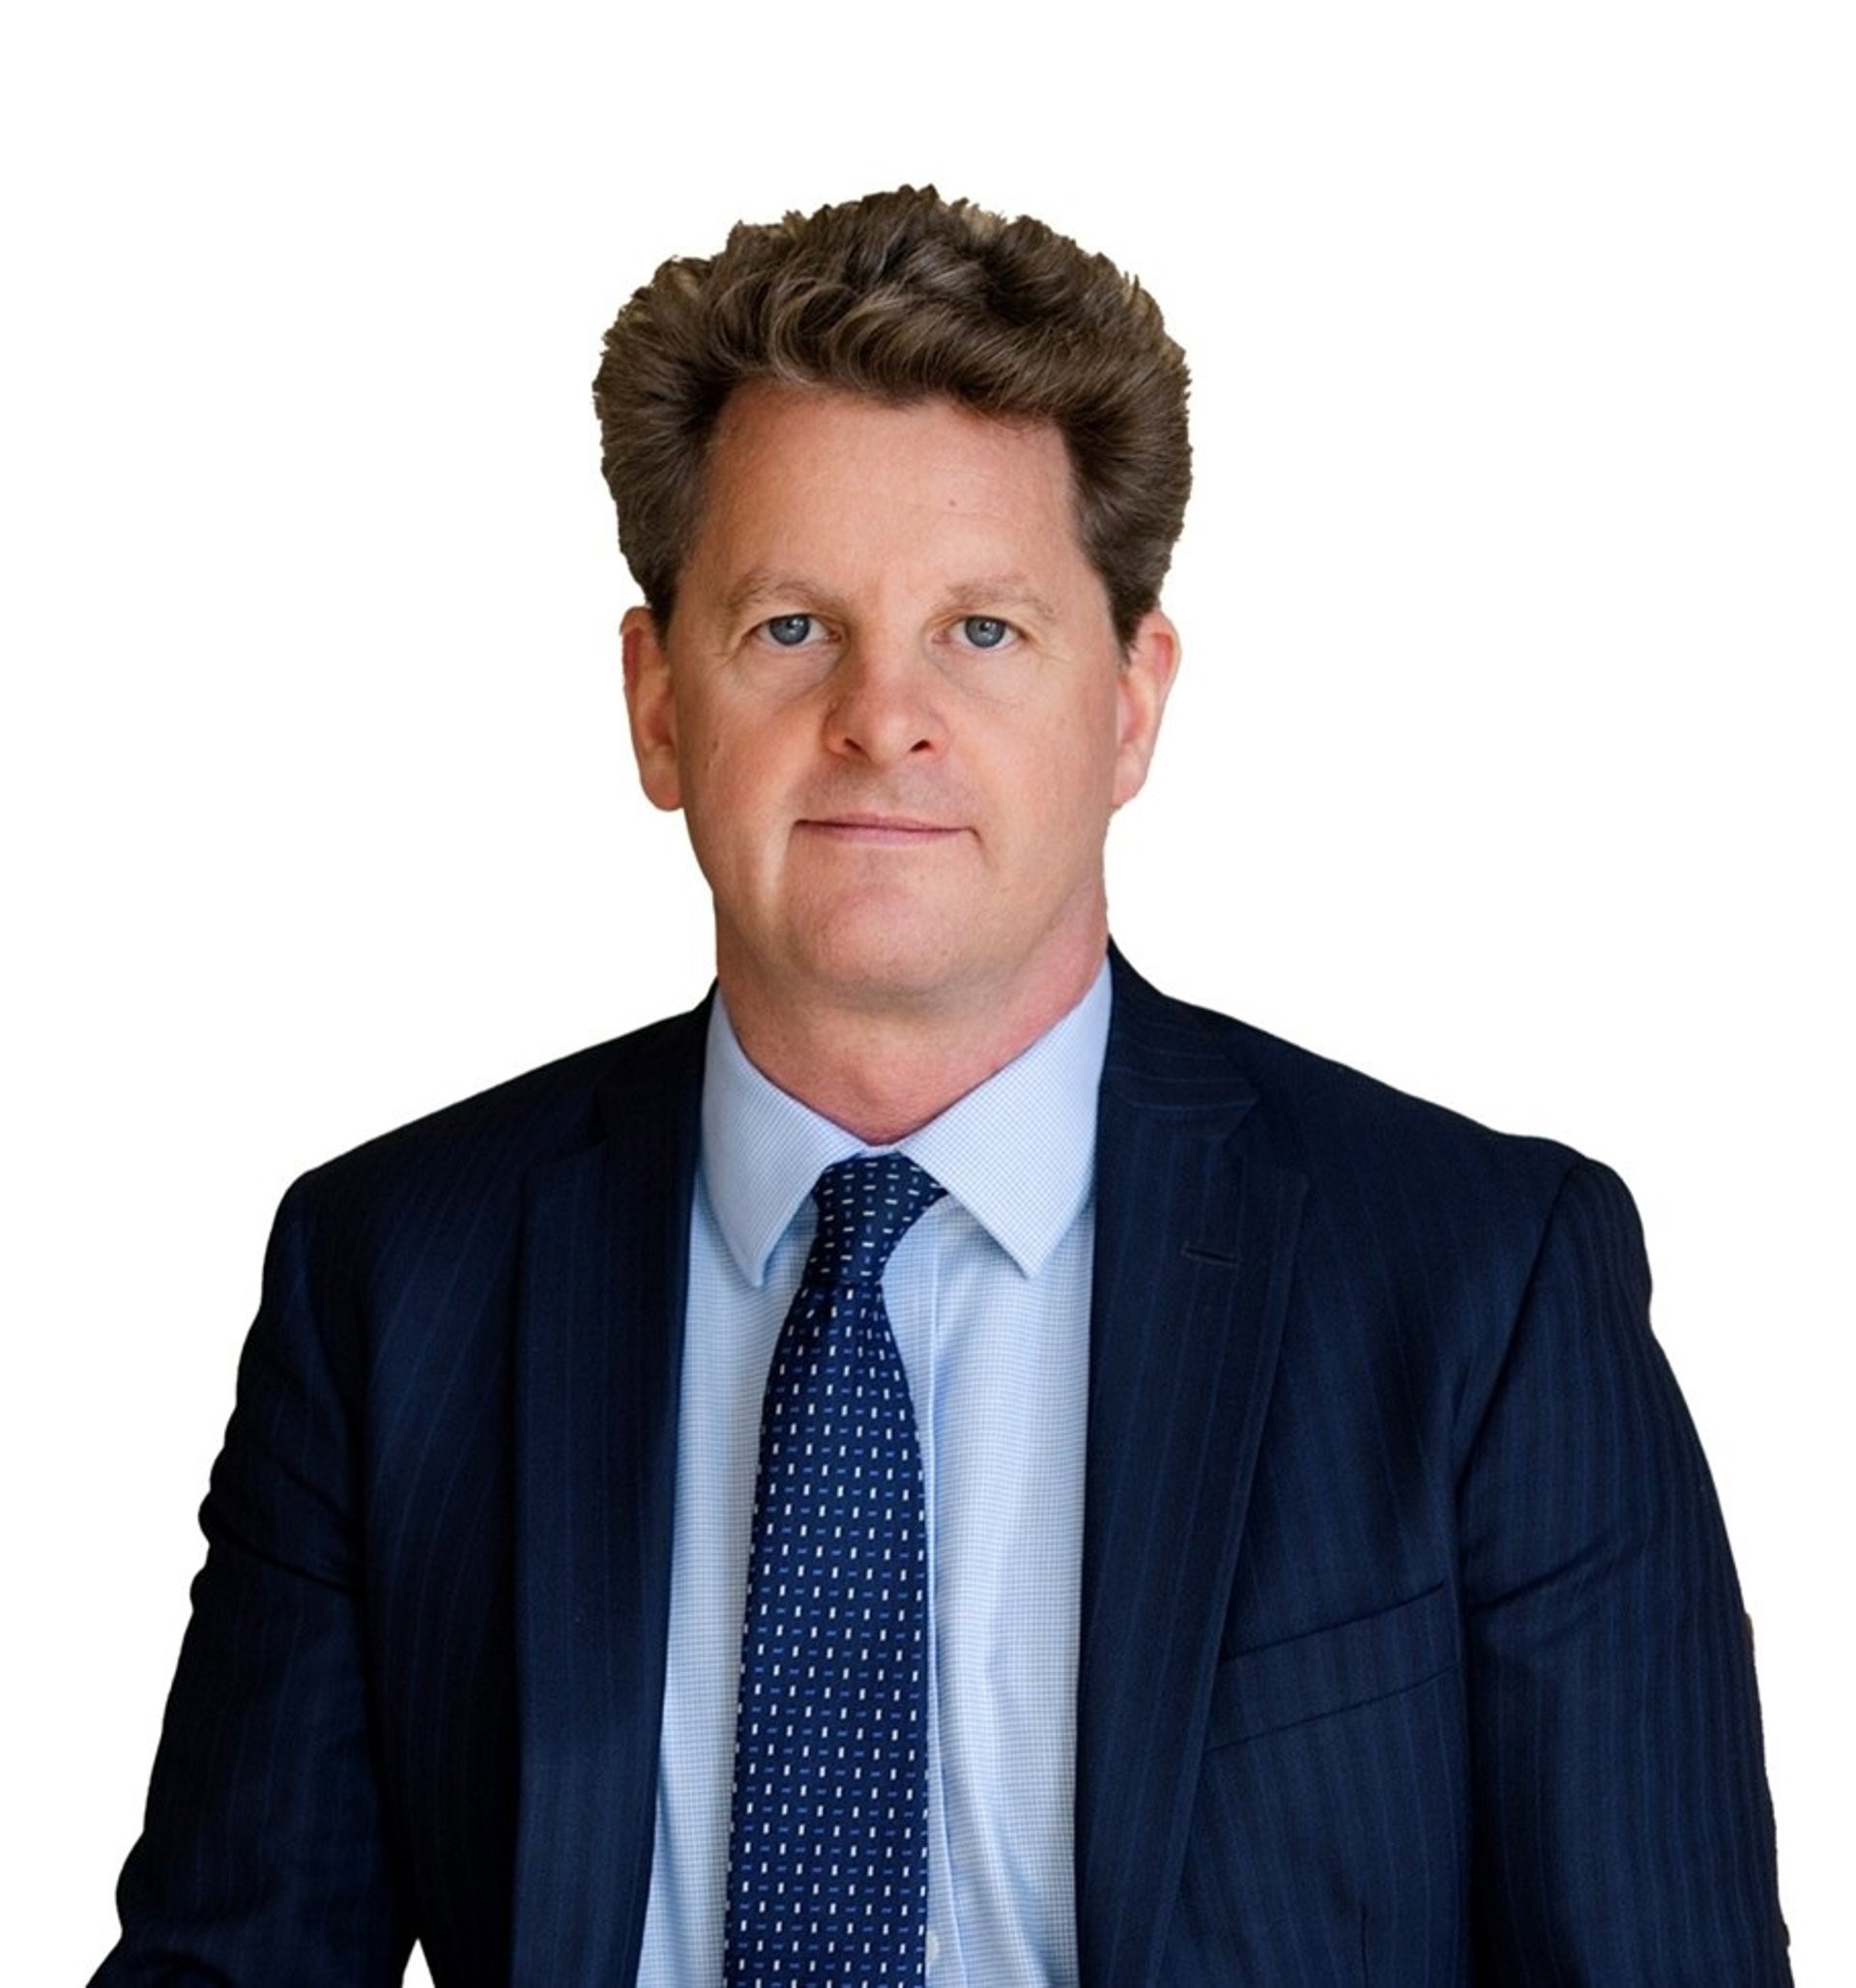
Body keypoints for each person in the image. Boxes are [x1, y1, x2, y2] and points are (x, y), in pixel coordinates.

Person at [93, 187, 1789, 1984]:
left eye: (982, 630)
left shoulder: (1482, 1287)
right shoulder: (393, 1279)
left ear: (1129, 704)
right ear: (657, 704)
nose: (880, 714)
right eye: (790, 627)